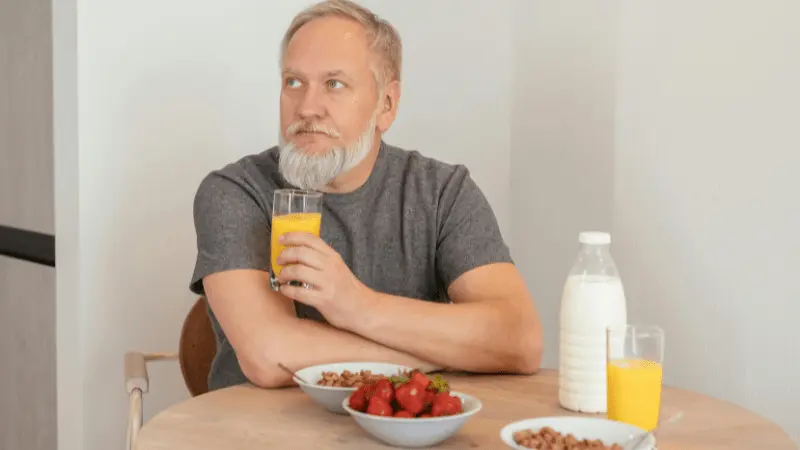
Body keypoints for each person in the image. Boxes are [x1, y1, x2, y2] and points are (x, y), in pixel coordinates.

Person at [189, 0, 544, 391]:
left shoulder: (443, 193)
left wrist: (358, 305)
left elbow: (520, 340)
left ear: (386, 105)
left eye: (334, 84)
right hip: (254, 434)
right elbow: (270, 355)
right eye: (293, 82)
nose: (306, 107)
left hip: (405, 434)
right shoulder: (236, 191)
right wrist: (442, 352)